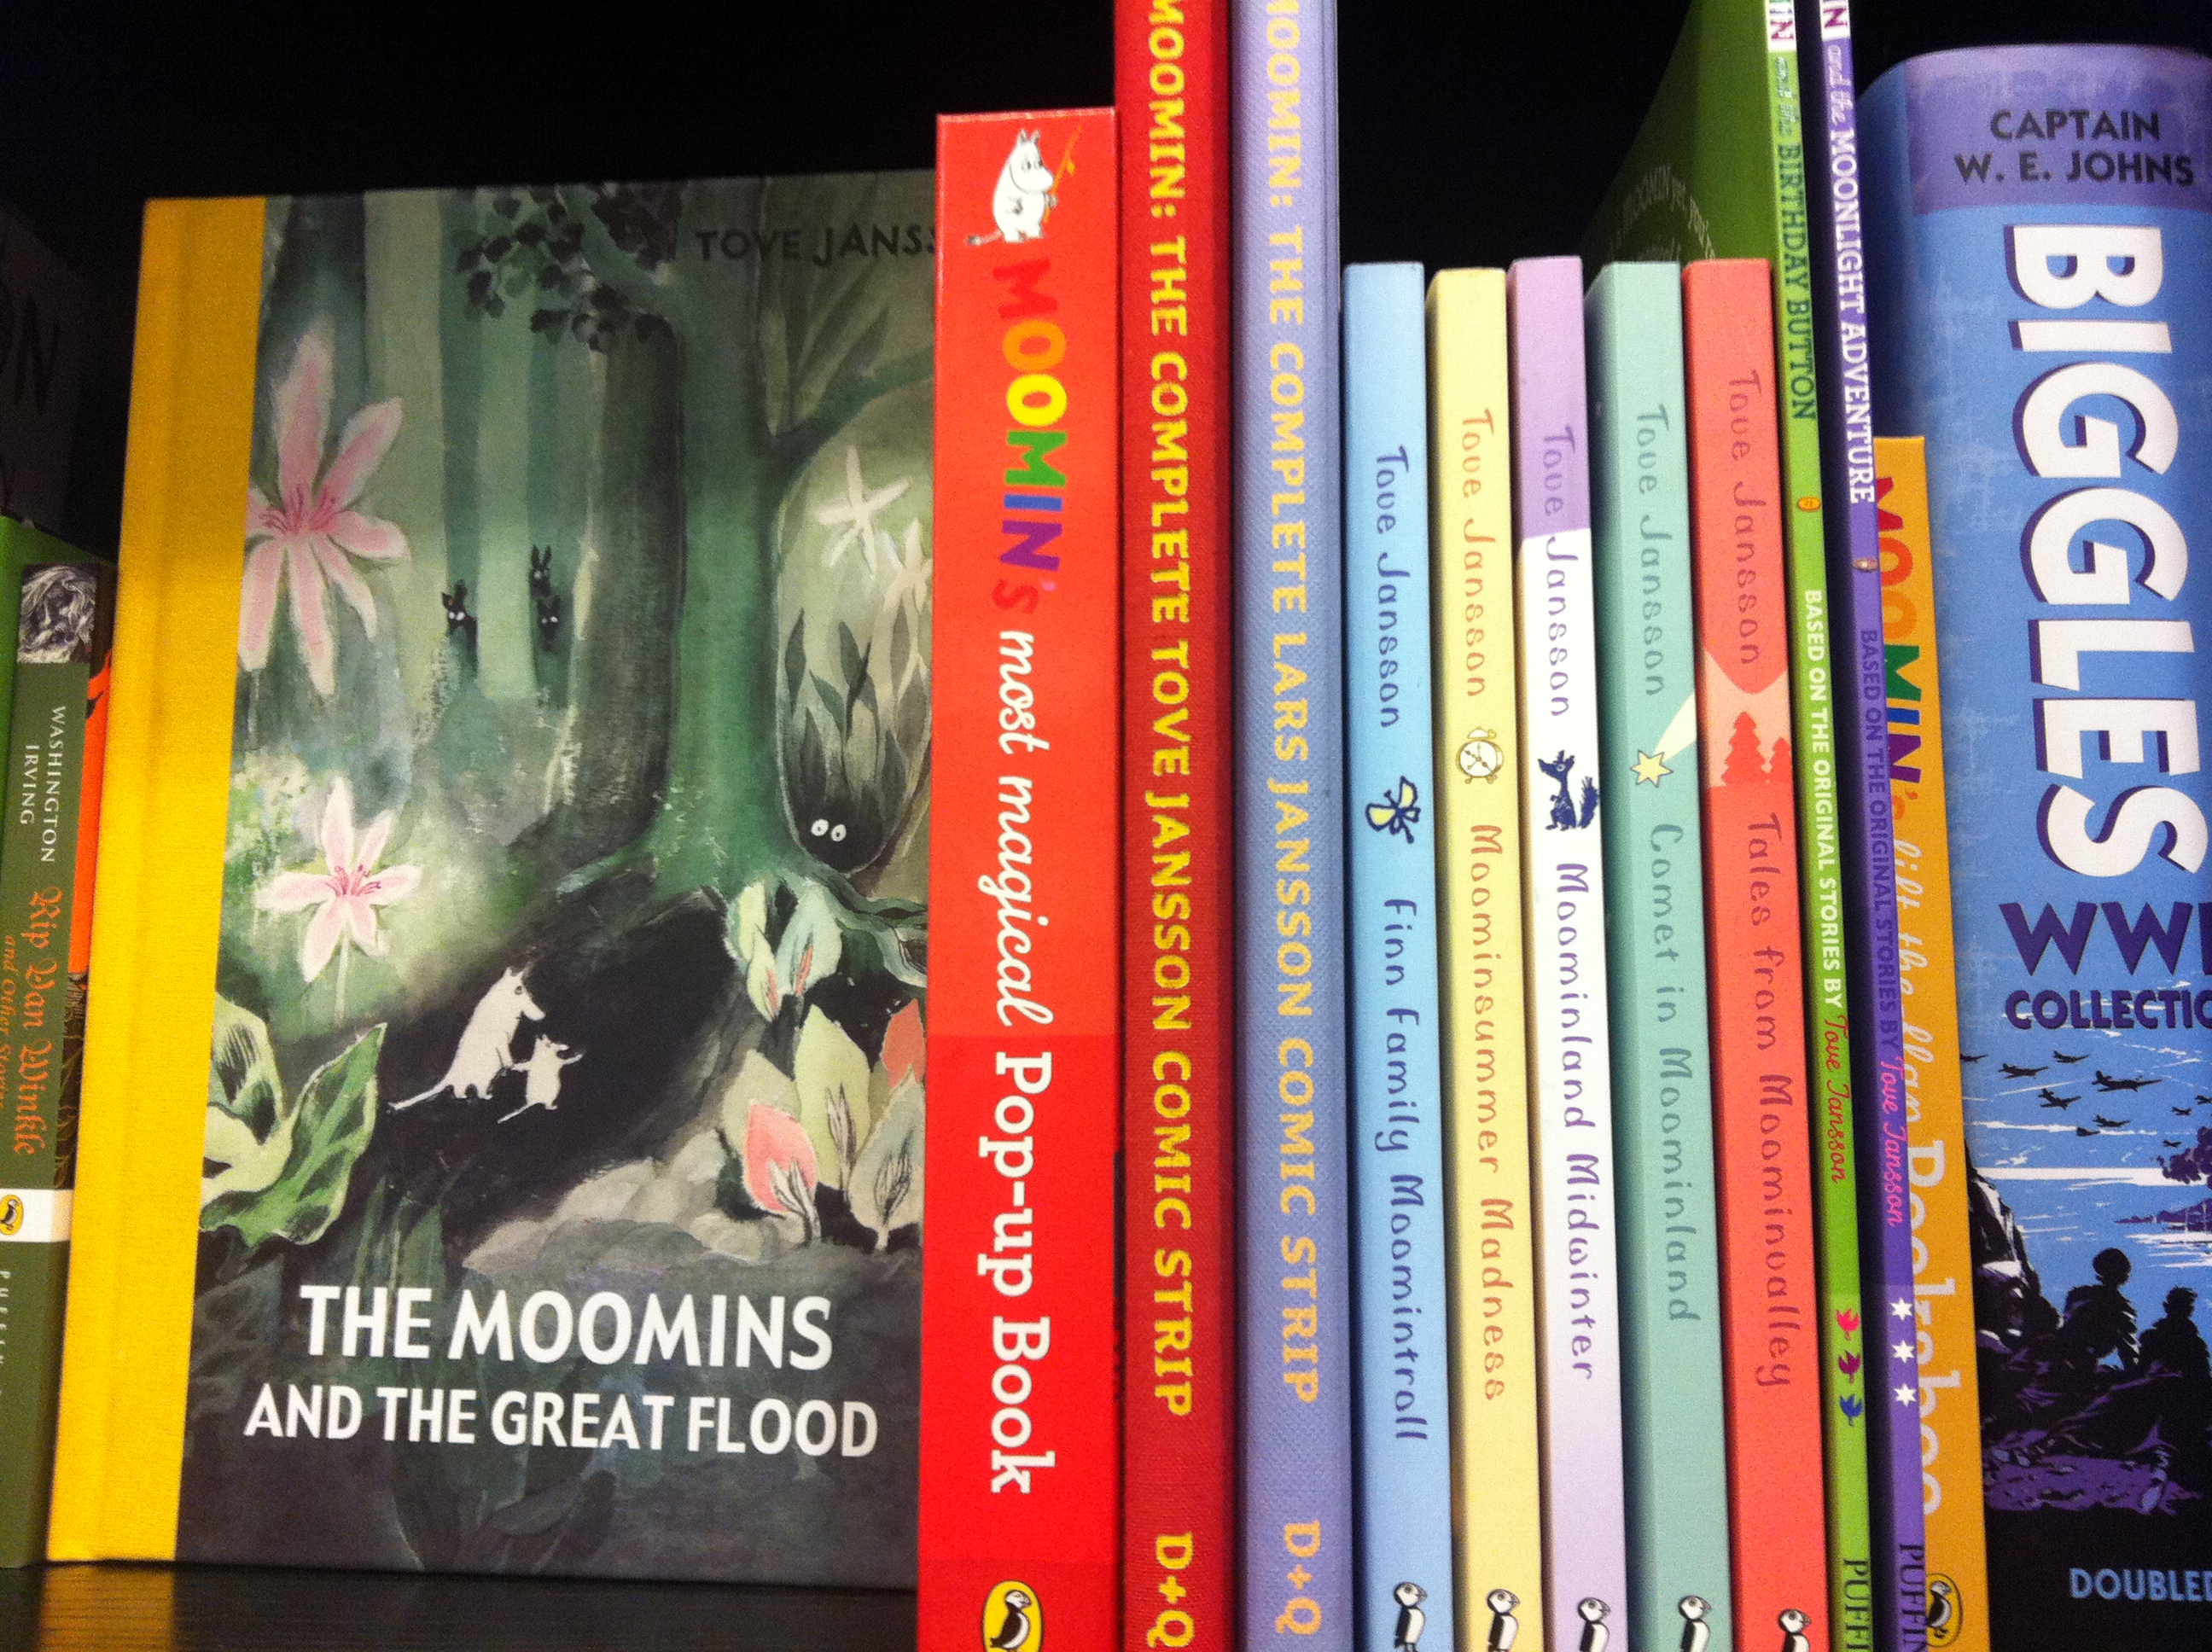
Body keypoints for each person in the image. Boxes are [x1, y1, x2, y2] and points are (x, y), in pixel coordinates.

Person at [2055, 1248, 2140, 1376]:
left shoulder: (2077, 1295)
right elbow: (2128, 1352)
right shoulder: (2122, 1308)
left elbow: (2065, 1324)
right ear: (2125, 1274)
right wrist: (2135, 1374)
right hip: (2082, 1364)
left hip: (2061, 1356)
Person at [2141, 1287, 2211, 1386]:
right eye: (2178, 1305)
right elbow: (2143, 1370)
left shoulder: (2195, 1343)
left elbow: (2203, 1377)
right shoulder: (2151, 1337)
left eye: (2184, 1306)